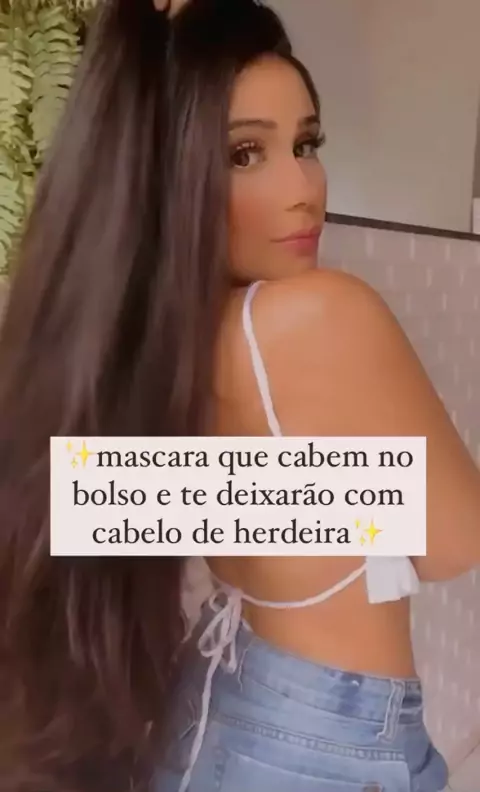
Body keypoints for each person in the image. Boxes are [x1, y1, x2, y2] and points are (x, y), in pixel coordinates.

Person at [0, 1, 479, 791]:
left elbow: (106, 501)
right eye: (246, 153)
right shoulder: (323, 314)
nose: (303, 188)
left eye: (306, 144)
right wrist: (367, 489)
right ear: (172, 174)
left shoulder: (163, 337)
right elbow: (455, 541)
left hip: (220, 702)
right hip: (326, 744)